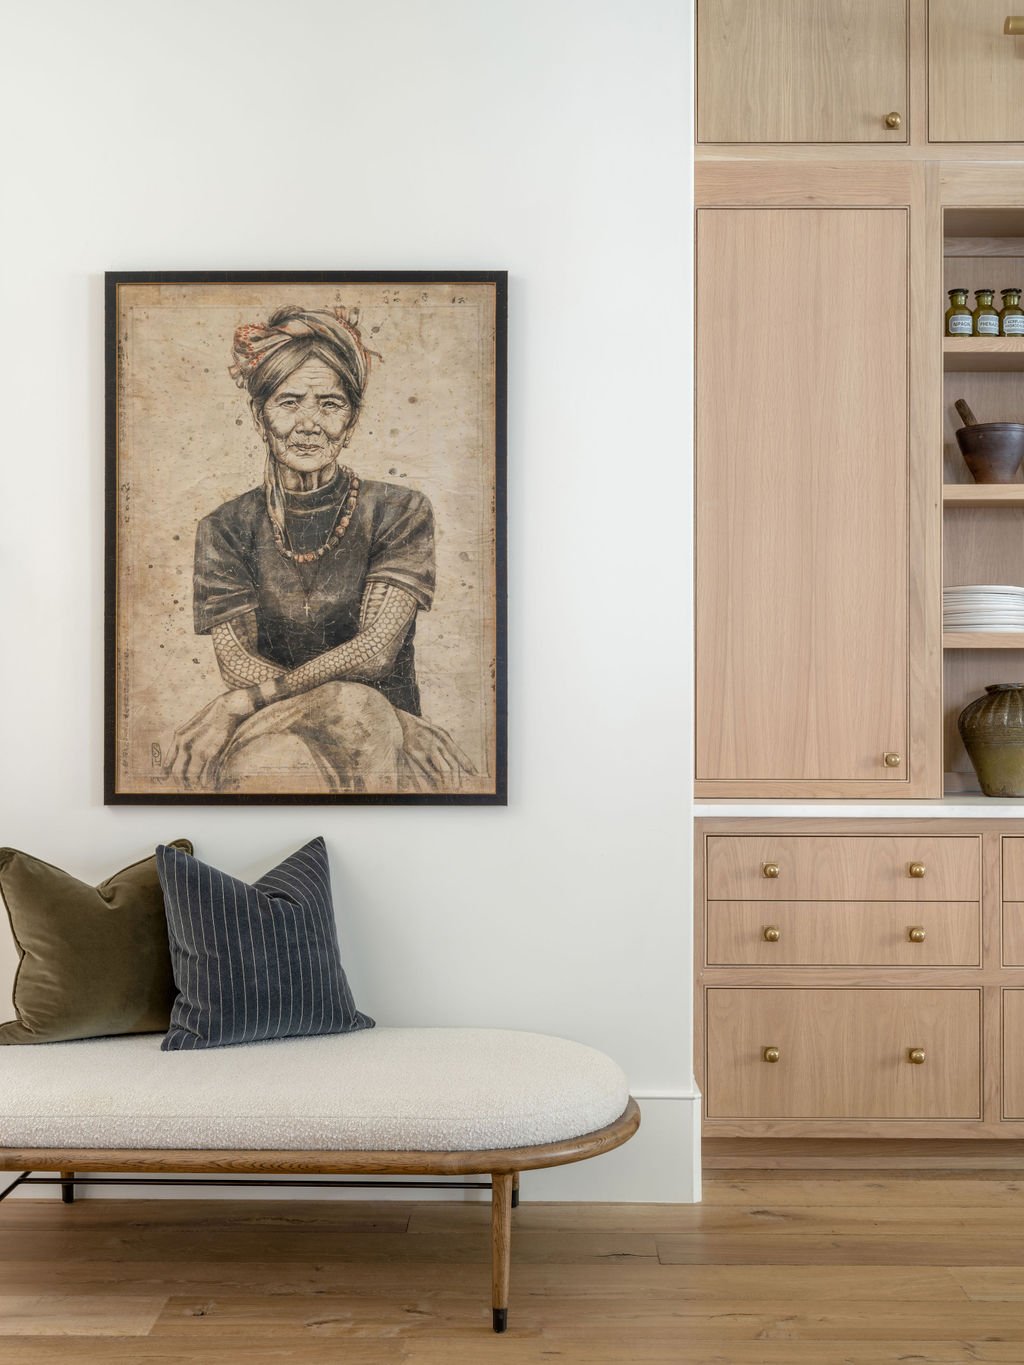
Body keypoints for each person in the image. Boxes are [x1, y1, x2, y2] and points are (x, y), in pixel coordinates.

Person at [165, 305, 475, 793]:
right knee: (316, 733)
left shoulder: (399, 510)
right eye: (289, 402)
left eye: (330, 404)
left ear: (351, 421)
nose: (308, 423)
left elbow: (375, 653)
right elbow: (237, 665)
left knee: (362, 717)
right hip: (279, 725)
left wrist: (242, 702)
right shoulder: (224, 527)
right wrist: (353, 703)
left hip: (387, 742)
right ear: (260, 416)